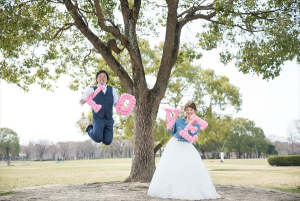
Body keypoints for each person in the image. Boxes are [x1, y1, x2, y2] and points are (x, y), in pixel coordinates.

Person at [148, 102, 220, 200]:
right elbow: (172, 131)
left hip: (186, 146)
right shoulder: (178, 121)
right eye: (187, 110)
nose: (189, 111)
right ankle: (171, 189)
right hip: (175, 144)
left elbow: (191, 135)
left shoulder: (197, 123)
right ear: (185, 111)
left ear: (194, 111)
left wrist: (191, 126)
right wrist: (168, 126)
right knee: (172, 167)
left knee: (187, 167)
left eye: (191, 109)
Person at [79, 70, 119, 145]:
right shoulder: (91, 90)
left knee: (107, 141)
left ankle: (101, 132)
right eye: (100, 76)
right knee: (98, 138)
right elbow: (80, 101)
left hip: (109, 118)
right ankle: (88, 127)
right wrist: (88, 97)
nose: (102, 78)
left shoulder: (112, 90)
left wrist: (120, 108)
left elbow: (116, 103)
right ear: (97, 79)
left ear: (107, 80)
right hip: (98, 117)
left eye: (104, 76)